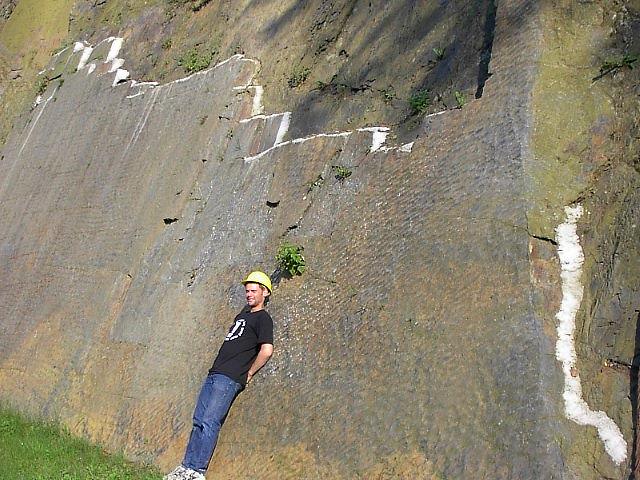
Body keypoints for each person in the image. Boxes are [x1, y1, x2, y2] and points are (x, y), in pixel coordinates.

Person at [164, 271, 275, 480]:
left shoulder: (263, 319)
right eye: (247, 290)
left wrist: (249, 373)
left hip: (230, 377)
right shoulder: (242, 316)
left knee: (210, 421)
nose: (249, 294)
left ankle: (197, 471)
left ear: (265, 292)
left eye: (253, 290)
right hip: (214, 373)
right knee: (198, 420)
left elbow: (266, 350)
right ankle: (185, 467)